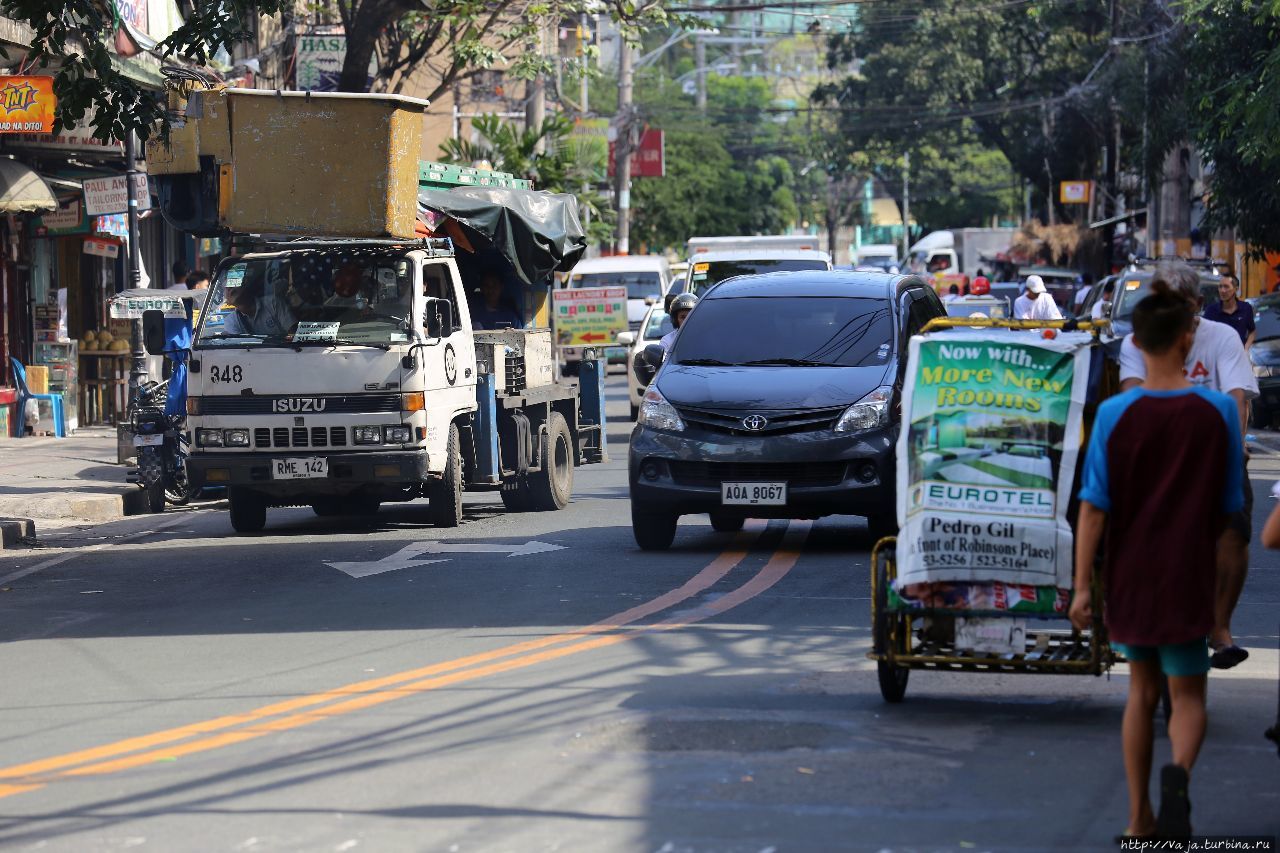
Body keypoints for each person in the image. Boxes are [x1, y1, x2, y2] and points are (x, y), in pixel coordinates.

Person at [1072, 278, 1244, 840]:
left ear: (1138, 345)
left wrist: (1080, 588)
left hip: (1131, 574)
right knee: (1188, 696)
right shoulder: (1217, 411)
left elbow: (1094, 509)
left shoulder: (1115, 414)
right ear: (1185, 341)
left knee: (1141, 695)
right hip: (1187, 570)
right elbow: (1227, 511)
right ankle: (1178, 774)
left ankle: (1138, 820)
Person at [1118, 262, 1258, 669]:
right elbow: (1131, 397)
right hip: (1157, 455)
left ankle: (1220, 625)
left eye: (1179, 306)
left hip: (1214, 454)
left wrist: (1233, 446)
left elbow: (1236, 398)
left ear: (1198, 306)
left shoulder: (1223, 338)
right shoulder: (1136, 343)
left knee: (1236, 530)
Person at [1203, 272, 1255, 349]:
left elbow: (1252, 331)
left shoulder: (1246, 308)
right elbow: (1204, 335)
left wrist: (1246, 348)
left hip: (1239, 355)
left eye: (1226, 287)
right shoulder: (1211, 311)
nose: (1222, 290)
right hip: (1219, 356)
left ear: (1236, 289)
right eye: (1220, 287)